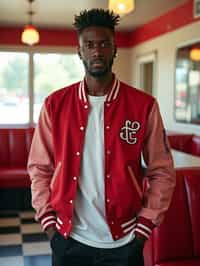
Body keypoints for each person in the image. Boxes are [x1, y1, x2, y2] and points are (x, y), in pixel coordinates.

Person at [27, 8, 176, 266]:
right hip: (69, 240)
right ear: (80, 51)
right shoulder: (55, 105)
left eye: (104, 43)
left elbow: (162, 171)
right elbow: (40, 168)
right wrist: (50, 228)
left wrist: (142, 231)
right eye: (89, 44)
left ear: (115, 48)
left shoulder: (144, 106)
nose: (97, 51)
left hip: (126, 243)